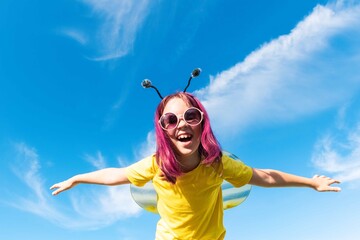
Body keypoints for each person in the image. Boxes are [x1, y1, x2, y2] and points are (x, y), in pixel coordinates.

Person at [50, 92, 341, 240]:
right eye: (171, 120)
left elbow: (264, 176)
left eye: (191, 115)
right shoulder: (156, 165)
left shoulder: (218, 164)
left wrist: (311, 182)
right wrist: (77, 178)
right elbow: (116, 175)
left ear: (202, 122)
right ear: (163, 130)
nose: (182, 125)